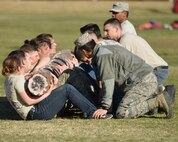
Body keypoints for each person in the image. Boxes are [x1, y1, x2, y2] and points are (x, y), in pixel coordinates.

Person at [74, 32, 174, 119]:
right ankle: (155, 93)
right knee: (119, 105)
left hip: (143, 82)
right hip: (145, 79)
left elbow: (108, 83)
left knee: (121, 113)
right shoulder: (104, 50)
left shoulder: (102, 56)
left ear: (83, 51)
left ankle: (157, 101)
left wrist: (105, 107)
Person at [1, 49, 112, 120]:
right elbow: (28, 101)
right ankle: (93, 113)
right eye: (27, 60)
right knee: (67, 89)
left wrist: (51, 87)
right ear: (22, 64)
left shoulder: (10, 79)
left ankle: (91, 110)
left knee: (62, 88)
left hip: (35, 111)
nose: (30, 61)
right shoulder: (18, 80)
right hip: (36, 114)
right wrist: (49, 92)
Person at [103, 18, 169, 86]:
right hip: (155, 71)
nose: (105, 34)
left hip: (157, 72)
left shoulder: (125, 40)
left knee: (134, 93)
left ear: (116, 29)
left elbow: (123, 67)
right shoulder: (126, 36)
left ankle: (163, 93)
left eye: (107, 31)